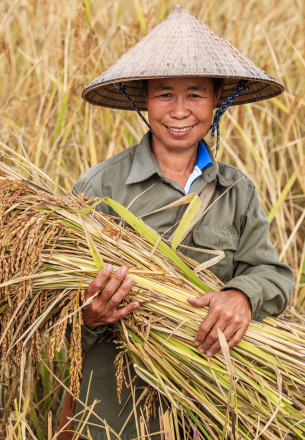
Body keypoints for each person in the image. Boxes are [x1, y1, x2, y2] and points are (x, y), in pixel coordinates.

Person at [57, 6, 295, 440]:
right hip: (114, 413)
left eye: (196, 94)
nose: (180, 110)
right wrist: (89, 316)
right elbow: (59, 305)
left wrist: (242, 294)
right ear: (144, 100)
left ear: (218, 98)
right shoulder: (100, 187)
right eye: (165, 94)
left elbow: (274, 276)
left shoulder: (235, 190)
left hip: (206, 409)